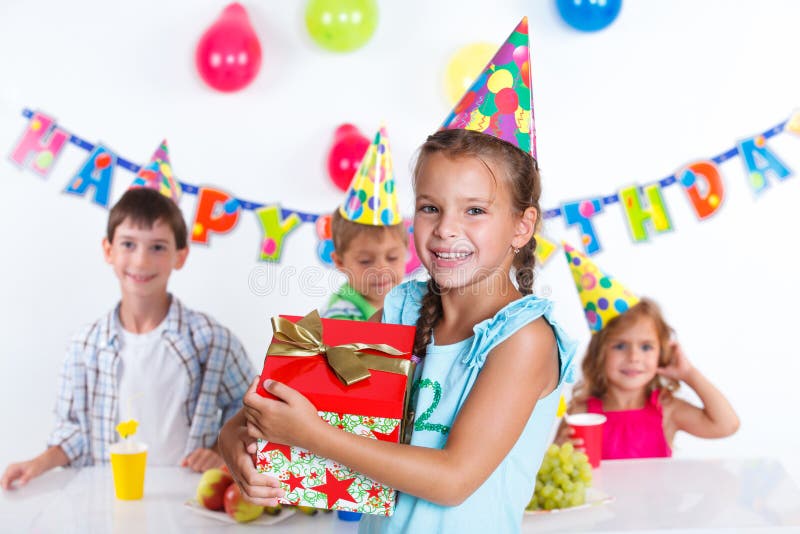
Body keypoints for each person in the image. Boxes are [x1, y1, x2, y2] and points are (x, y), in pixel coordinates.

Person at [220, 18, 577, 533]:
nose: (445, 230)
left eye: (475, 211)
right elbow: (264, 404)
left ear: (523, 226)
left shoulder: (524, 340)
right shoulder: (402, 308)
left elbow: (454, 478)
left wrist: (314, 435)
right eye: (431, 208)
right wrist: (240, 452)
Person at [1, 186, 255, 490]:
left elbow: (251, 411)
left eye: (158, 247)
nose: (141, 261)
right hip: (108, 499)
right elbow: (74, 433)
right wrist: (37, 464)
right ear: (109, 250)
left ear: (181, 256)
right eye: (128, 244)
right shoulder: (85, 346)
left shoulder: (211, 340)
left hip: (186, 501)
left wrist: (219, 453)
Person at [555, 243, 739, 459]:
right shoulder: (581, 413)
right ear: (599, 354)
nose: (634, 357)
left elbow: (727, 425)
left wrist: (689, 373)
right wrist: (558, 449)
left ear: (661, 353)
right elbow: (556, 472)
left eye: (646, 347)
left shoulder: (667, 409)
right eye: (620, 346)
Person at [320, 126, 409, 321]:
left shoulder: (408, 305)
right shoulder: (339, 317)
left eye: (393, 257)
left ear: (406, 254)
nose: (381, 269)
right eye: (365, 261)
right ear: (340, 262)